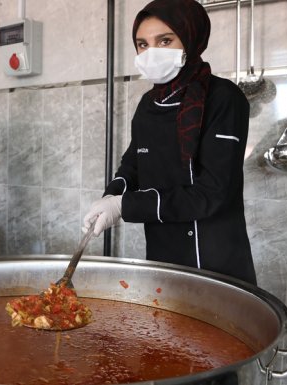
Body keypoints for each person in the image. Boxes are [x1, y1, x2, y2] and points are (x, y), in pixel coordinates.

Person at [82, 0, 256, 285]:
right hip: (162, 253)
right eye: (142, 44)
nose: (151, 52)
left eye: (164, 40)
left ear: (189, 40)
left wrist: (125, 206)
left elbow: (212, 194)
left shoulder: (224, 98)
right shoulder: (149, 103)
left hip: (214, 258)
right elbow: (133, 165)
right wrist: (111, 196)